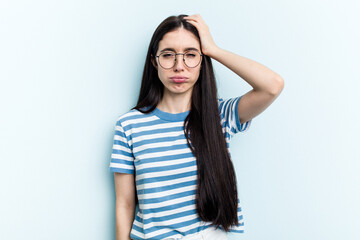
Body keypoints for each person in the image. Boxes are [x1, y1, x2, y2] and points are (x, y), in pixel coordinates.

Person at [109, 14, 284, 240]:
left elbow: (272, 85)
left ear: (202, 61)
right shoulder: (129, 126)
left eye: (191, 55)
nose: (179, 66)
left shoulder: (220, 115)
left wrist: (213, 49)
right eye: (168, 55)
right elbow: (124, 204)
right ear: (154, 61)